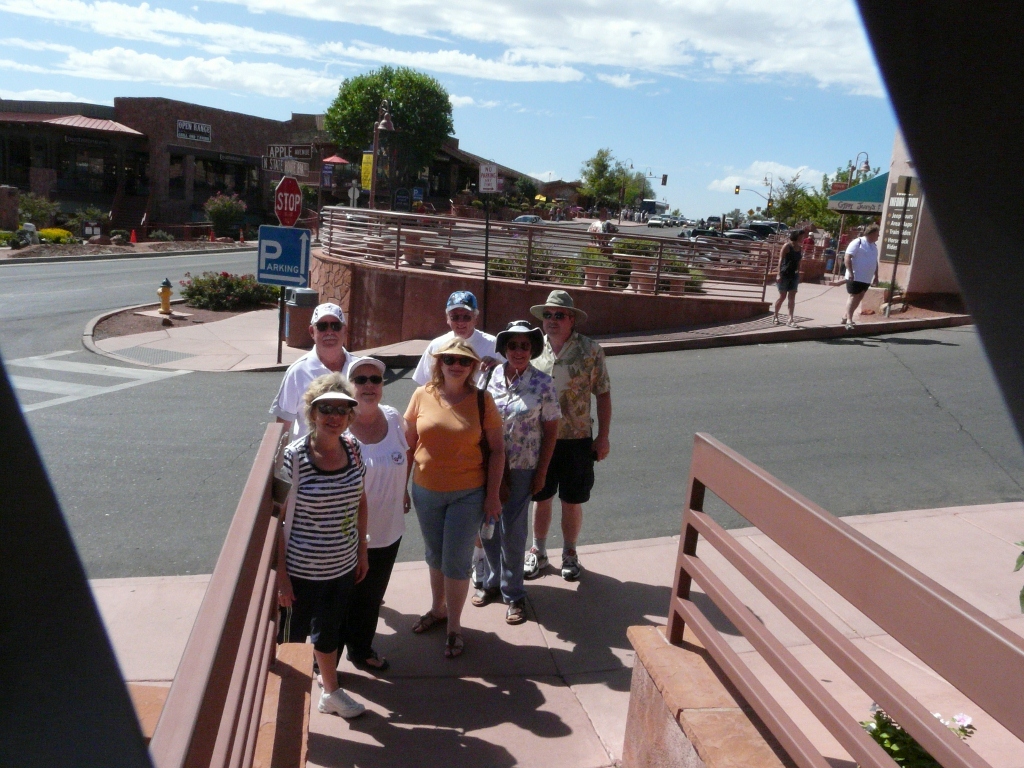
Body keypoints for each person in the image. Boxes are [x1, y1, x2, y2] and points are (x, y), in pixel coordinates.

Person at [404, 338, 505, 658]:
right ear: (440, 363)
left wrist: (492, 496)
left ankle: (454, 627)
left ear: (473, 366)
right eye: (449, 359)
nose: (456, 365)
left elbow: (498, 450)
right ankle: (438, 609)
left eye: (463, 361)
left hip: (468, 493)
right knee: (434, 554)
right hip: (425, 490)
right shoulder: (421, 394)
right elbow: (409, 445)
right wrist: (402, 489)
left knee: (457, 560)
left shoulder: (482, 400)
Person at [277, 374, 368, 719]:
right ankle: (285, 706)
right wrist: (281, 577)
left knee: (329, 633)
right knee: (290, 642)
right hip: (299, 574)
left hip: (341, 567)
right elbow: (275, 520)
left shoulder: (353, 448)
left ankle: (330, 692)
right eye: (326, 408)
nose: (334, 416)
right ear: (312, 412)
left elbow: (361, 500)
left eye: (342, 410)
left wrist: (361, 552)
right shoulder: (293, 458)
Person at [474, 321, 560, 624]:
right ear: (504, 348)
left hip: (523, 467)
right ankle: (491, 582)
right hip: (488, 465)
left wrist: (542, 472)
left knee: (513, 531)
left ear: (532, 349)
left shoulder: (544, 383)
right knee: (487, 524)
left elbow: (551, 430)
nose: (519, 351)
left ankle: (513, 594)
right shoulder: (488, 377)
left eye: (525, 346)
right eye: (513, 345)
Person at [526, 291, 611, 582]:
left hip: (577, 438)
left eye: (559, 315)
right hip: (540, 438)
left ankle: (570, 553)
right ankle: (537, 551)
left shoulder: (590, 350)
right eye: (547, 315)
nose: (552, 320)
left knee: (572, 500)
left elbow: (603, 393)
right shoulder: (533, 348)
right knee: (541, 496)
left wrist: (603, 437)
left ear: (571, 319)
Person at [339, 356, 411, 673]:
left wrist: (403, 489)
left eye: (376, 379)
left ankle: (361, 650)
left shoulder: (393, 417)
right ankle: (325, 661)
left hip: (388, 529)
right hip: (347, 535)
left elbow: (405, 455)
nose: (369, 386)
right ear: (348, 386)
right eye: (361, 379)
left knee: (370, 597)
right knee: (341, 599)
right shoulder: (338, 425)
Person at [270, 303, 354, 439]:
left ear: (344, 330)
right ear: (312, 332)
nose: (329, 332)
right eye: (322, 326)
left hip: (354, 451)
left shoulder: (359, 370)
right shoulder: (297, 372)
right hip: (310, 452)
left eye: (335, 326)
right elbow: (282, 426)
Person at [411, 291, 501, 386]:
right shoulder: (436, 345)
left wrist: (497, 365)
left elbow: (508, 378)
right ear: (447, 319)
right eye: (455, 317)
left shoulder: (493, 344)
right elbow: (425, 383)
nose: (460, 322)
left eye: (466, 317)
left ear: (476, 319)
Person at [842, 223, 881, 330]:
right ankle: (849, 320)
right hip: (855, 276)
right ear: (871, 233)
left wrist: (876, 276)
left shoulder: (874, 246)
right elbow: (847, 257)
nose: (878, 236)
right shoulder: (858, 242)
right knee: (853, 296)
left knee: (859, 297)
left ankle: (845, 316)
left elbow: (875, 262)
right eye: (877, 234)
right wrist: (850, 272)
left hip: (866, 278)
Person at [773, 230, 803, 327]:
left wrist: (799, 273)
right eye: (801, 236)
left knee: (792, 297)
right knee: (782, 296)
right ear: (796, 236)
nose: (803, 238)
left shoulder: (800, 248)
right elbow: (780, 259)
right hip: (784, 274)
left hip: (794, 275)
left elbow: (799, 262)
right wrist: (778, 274)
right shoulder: (787, 246)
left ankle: (790, 319)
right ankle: (775, 316)